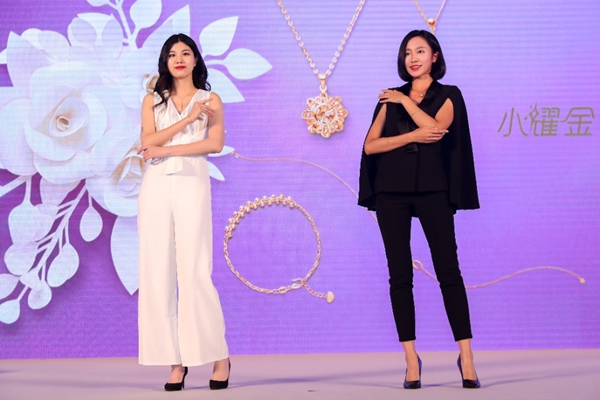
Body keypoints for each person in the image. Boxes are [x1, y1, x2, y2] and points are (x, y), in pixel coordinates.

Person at [358, 30, 481, 389]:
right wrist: (410, 135)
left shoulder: (449, 94)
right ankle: (411, 359)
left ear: (435, 57)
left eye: (420, 51)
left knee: (448, 271)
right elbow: (370, 146)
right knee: (399, 274)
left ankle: (467, 357)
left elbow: (437, 129)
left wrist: (406, 103)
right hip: (390, 190)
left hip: (433, 188)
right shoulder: (389, 97)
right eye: (408, 52)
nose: (413, 58)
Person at [137, 33, 230, 392]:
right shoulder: (152, 100)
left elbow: (215, 143)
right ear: (165, 61)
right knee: (157, 271)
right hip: (156, 187)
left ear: (195, 60)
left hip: (192, 183)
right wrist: (187, 119)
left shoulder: (211, 99)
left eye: (186, 53)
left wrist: (167, 149)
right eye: (172, 54)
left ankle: (218, 356)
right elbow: (147, 142)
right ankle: (175, 363)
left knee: (194, 271)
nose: (179, 58)